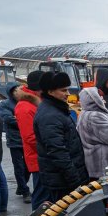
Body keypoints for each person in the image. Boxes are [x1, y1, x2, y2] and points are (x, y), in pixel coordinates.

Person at [34, 72, 89, 202]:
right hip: (63, 181)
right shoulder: (50, 115)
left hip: (65, 178)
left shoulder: (57, 110)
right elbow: (57, 151)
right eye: (63, 90)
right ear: (50, 91)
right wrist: (74, 180)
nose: (68, 93)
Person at [15, 70, 46, 208]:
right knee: (41, 195)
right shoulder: (25, 107)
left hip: (44, 156)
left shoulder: (38, 102)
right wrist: (51, 149)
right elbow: (31, 137)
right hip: (38, 158)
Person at [1, 84, 31, 203]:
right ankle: (25, 191)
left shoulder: (26, 101)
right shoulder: (5, 104)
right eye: (14, 91)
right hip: (15, 140)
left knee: (28, 166)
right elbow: (8, 120)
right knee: (18, 167)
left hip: (27, 139)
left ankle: (21, 186)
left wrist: (18, 118)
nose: (17, 93)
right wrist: (24, 119)